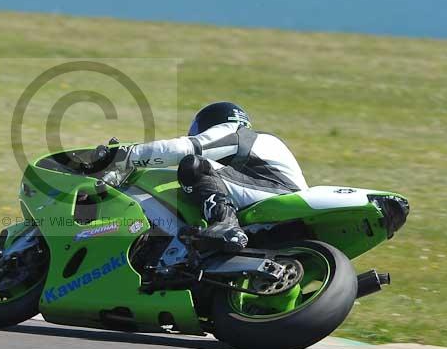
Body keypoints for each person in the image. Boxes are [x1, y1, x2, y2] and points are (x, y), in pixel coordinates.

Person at [118, 102, 308, 252]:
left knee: (194, 166)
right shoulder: (258, 150)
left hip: (277, 195)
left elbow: (184, 148)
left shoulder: (236, 131)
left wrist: (127, 155)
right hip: (280, 210)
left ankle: (225, 224)